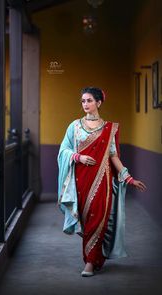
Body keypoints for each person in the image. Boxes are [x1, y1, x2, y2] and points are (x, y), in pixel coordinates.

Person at [57, 87, 146, 277]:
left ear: (98, 103)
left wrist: (128, 177)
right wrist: (77, 157)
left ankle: (90, 262)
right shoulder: (74, 126)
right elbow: (63, 151)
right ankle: (94, 257)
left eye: (89, 100)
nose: (85, 104)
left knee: (98, 220)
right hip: (79, 181)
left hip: (102, 180)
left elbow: (112, 155)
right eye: (83, 101)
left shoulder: (109, 128)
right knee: (85, 220)